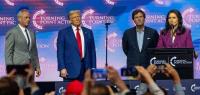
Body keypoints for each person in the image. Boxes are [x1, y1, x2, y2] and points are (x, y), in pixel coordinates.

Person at [5, 8, 41, 88]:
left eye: (29, 18)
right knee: (19, 90)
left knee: (29, 90)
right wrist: (10, 70)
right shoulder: (12, 32)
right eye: (26, 17)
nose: (28, 19)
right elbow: (8, 53)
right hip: (18, 69)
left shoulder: (31, 32)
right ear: (19, 19)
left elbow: (34, 51)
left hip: (30, 69)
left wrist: (37, 66)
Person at [57, 10, 96, 81]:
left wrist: (93, 68)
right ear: (70, 20)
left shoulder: (88, 32)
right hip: (70, 70)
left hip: (86, 69)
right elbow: (60, 52)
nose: (77, 18)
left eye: (78, 16)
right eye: (74, 17)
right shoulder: (63, 33)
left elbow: (92, 51)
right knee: (71, 92)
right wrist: (62, 68)